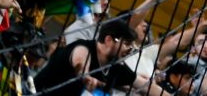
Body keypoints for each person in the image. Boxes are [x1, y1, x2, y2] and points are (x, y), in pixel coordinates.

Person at [33, 19, 168, 96]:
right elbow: (80, 61)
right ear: (109, 40)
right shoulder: (84, 47)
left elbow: (146, 86)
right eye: (126, 44)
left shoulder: (115, 66)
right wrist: (85, 76)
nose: (130, 49)